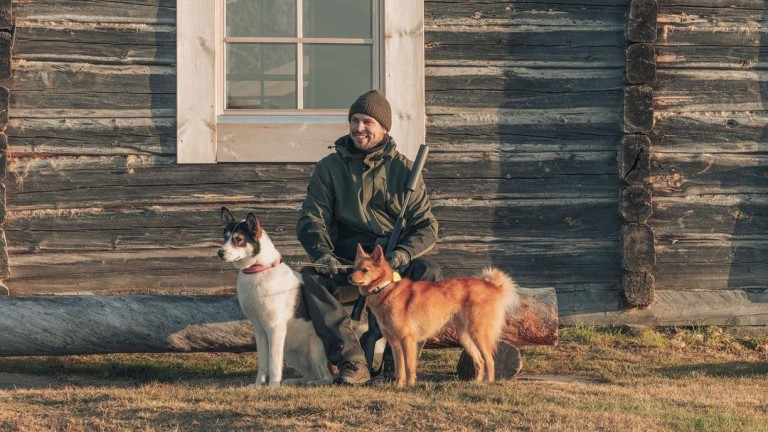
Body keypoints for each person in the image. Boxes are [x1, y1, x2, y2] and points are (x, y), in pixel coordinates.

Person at [296, 90, 443, 385]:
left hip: (391, 261)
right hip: (348, 260)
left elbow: (427, 226)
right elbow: (311, 218)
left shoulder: (404, 170)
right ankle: (352, 362)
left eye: (367, 121)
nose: (359, 127)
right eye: (354, 120)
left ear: (384, 128)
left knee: (429, 272)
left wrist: (401, 255)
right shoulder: (329, 168)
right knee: (312, 278)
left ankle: (394, 366)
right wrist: (323, 254)